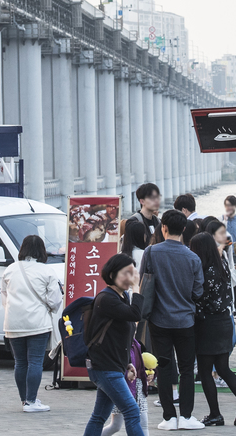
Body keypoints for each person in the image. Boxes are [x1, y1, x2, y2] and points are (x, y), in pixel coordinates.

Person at [140, 209, 204, 431]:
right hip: (186, 320)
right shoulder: (193, 257)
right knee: (187, 369)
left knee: (164, 367)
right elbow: (198, 292)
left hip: (159, 319)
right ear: (184, 229)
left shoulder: (150, 252)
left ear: (163, 228)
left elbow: (143, 284)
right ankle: (186, 416)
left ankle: (169, 417)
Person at [189, 232, 236, 427]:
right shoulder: (222, 265)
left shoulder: (203, 271)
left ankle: (215, 414)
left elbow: (198, 299)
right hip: (225, 321)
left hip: (207, 324)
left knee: (205, 370)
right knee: (224, 368)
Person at [83, 253, 146, 436]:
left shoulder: (121, 297)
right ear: (112, 275)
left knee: (99, 416)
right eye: (126, 273)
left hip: (112, 365)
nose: (130, 277)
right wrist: (136, 288)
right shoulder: (107, 298)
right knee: (132, 411)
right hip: (104, 367)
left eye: (132, 273)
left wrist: (127, 362)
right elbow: (135, 315)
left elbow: (120, 336)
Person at [2, 234, 63, 413]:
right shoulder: (47, 271)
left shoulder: (10, 270)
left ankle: (24, 400)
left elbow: (4, 298)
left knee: (20, 363)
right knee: (35, 362)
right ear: (42, 251)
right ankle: (32, 401)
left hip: (13, 322)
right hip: (37, 322)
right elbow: (55, 300)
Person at [123, 183, 163, 262]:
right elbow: (128, 249)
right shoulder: (133, 222)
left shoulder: (158, 221)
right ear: (142, 201)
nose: (156, 200)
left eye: (158, 197)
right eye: (152, 198)